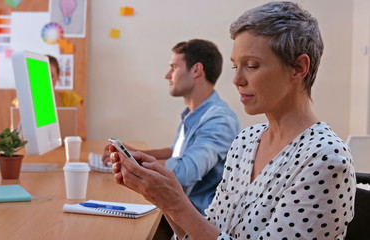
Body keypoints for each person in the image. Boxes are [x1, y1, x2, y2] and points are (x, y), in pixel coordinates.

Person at [109, 2, 356, 239]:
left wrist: (176, 201)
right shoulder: (247, 141)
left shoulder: (325, 159)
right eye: (235, 66)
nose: (237, 80)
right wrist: (163, 198)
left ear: (298, 68)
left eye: (252, 65)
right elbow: (209, 233)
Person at [102, 39, 241, 215]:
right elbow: (177, 151)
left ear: (196, 70)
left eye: (174, 67)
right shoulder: (194, 113)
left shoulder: (219, 120)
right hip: (175, 212)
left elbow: (183, 173)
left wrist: (133, 161)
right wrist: (134, 152)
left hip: (196, 220)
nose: (167, 75)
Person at [12, 55, 86, 138]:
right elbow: (17, 135)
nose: (46, 81)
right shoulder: (23, 100)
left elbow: (82, 133)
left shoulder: (71, 98)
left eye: (51, 76)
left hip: (64, 148)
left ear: (58, 75)